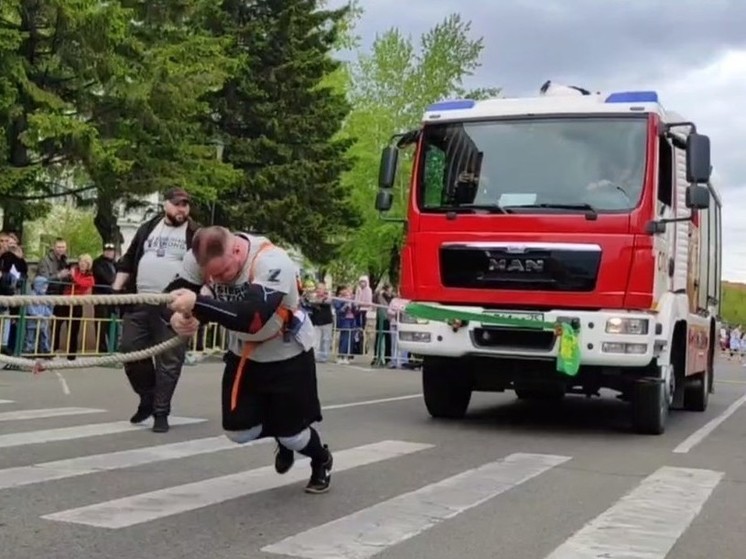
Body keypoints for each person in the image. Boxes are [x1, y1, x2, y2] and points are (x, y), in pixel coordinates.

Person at [164, 226, 333, 494]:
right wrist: (177, 318)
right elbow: (173, 296)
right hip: (243, 353)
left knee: (294, 435)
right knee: (238, 432)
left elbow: (253, 318)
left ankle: (320, 459)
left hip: (286, 354)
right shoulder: (199, 258)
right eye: (210, 275)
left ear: (237, 250)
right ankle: (281, 432)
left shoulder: (272, 261)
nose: (216, 279)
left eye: (222, 273)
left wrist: (198, 305)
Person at [112, 187, 200, 433]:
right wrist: (117, 289)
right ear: (165, 205)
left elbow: (204, 268)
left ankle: (161, 411)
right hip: (140, 301)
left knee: (169, 361)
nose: (182, 209)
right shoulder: (148, 227)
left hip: (173, 305)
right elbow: (129, 259)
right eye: (177, 204)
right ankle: (147, 397)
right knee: (130, 350)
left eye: (185, 204)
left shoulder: (194, 233)